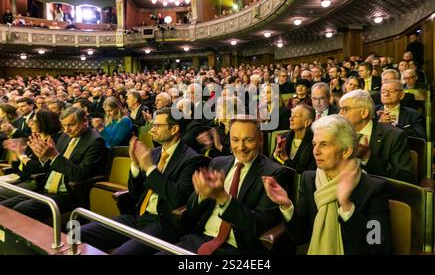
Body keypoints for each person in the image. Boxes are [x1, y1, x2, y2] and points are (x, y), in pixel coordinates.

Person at [263, 114, 392, 255]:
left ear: (346, 151)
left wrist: (347, 207)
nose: (316, 151)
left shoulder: (374, 189)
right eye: (314, 144)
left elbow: (377, 245)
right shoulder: (309, 180)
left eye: (324, 144)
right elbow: (300, 237)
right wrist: (286, 205)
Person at [80, 108, 201, 254]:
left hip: (162, 223)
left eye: (157, 126)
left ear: (174, 129)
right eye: (153, 125)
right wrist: (135, 165)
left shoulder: (191, 159)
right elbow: (134, 192)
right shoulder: (153, 153)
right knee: (78, 233)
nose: (152, 129)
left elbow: (177, 197)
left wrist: (150, 168)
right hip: (137, 216)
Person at [167, 116, 286, 255]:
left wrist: (223, 198)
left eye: (248, 140)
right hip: (199, 239)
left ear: (260, 139)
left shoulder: (274, 172)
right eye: (235, 140)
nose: (241, 147)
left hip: (237, 248)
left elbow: (258, 226)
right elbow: (191, 210)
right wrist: (202, 194)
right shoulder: (217, 163)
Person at [0, 107, 107, 222]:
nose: (66, 130)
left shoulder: (95, 141)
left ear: (85, 121)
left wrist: (53, 156)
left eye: (71, 125)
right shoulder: (65, 136)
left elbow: (80, 174)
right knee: (4, 206)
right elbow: (49, 165)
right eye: (64, 126)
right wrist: (43, 158)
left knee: (20, 209)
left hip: (67, 194)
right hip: (45, 188)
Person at [339, 89, 414, 183]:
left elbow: (405, 178)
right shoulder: (338, 134)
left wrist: (368, 157)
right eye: (340, 109)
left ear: (364, 113)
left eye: (345, 109)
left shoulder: (394, 136)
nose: (339, 114)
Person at [0, 110, 61, 200]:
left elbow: (39, 169)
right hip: (20, 178)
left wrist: (21, 156)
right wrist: (15, 155)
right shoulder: (34, 138)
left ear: (44, 123)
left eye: (35, 121)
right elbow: (17, 170)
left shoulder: (52, 142)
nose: (30, 123)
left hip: (34, 182)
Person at [272, 105, 316, 173]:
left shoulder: (314, 142)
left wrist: (286, 159)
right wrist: (276, 154)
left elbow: (308, 174)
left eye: (295, 116)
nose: (290, 119)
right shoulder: (283, 137)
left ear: (307, 122)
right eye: (291, 115)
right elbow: (272, 164)